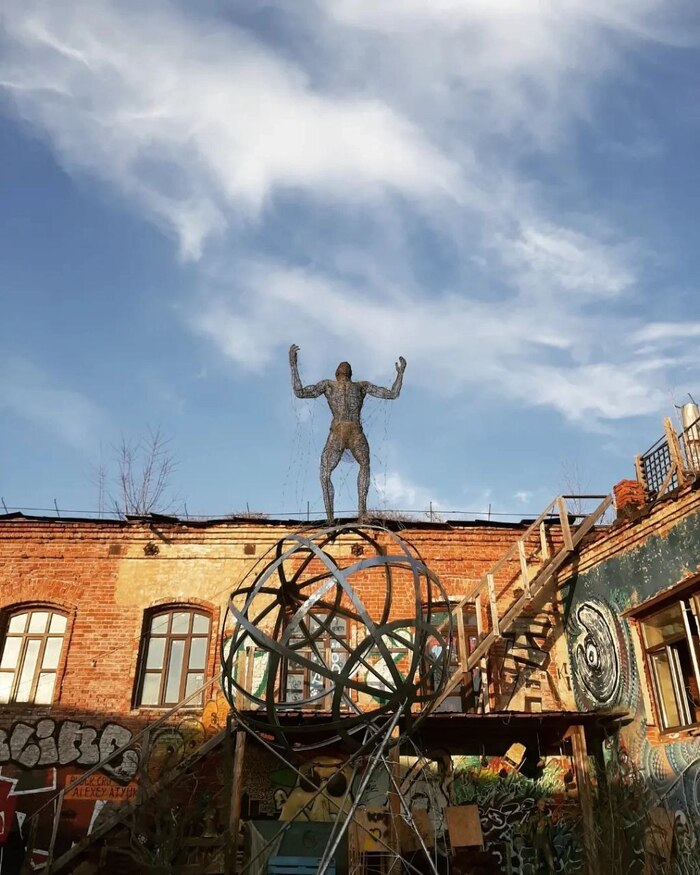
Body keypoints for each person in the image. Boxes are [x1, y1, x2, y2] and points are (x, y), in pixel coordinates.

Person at [289, 345, 406, 522]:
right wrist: (293, 365)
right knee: (325, 473)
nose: (344, 367)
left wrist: (400, 374)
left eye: (346, 367)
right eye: (342, 367)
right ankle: (331, 518)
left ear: (345, 373)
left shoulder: (359, 386)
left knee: (361, 466)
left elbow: (392, 394)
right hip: (340, 432)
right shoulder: (329, 385)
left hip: (352, 432)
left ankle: (361, 513)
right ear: (338, 373)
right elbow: (300, 393)